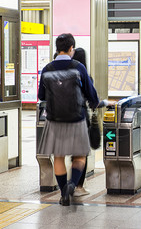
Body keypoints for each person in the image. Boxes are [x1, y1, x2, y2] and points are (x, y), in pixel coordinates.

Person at [38, 34, 100, 206]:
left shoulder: (47, 68)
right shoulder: (78, 67)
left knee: (58, 157)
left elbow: (41, 96)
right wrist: (95, 103)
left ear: (57, 48)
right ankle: (73, 184)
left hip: (54, 119)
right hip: (76, 118)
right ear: (71, 48)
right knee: (80, 156)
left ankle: (63, 191)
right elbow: (91, 93)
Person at [71, 47, 112, 198]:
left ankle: (68, 184)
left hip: (64, 119)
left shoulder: (66, 75)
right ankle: (78, 186)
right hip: (81, 119)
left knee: (70, 154)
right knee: (82, 154)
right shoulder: (85, 76)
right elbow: (92, 101)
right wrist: (106, 102)